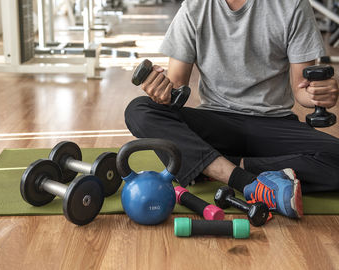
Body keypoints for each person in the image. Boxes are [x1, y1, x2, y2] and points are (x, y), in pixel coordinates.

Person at [124, 0, 339, 219]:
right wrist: (161, 91)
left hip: (274, 123)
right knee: (139, 109)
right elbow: (176, 86)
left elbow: (302, 90)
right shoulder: (194, 7)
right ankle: (244, 181)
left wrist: (319, 94)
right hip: (217, 121)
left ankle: (215, 167)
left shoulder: (292, 5)